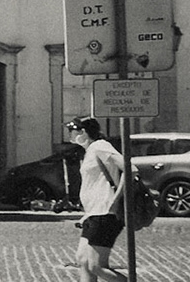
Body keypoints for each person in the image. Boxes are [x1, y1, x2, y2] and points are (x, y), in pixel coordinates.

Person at [67, 116, 125, 282]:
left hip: (105, 213)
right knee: (83, 260)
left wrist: (115, 200)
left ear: (83, 132)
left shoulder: (101, 146)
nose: (70, 135)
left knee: (97, 266)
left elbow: (130, 169)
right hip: (93, 213)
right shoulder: (91, 150)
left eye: (72, 131)